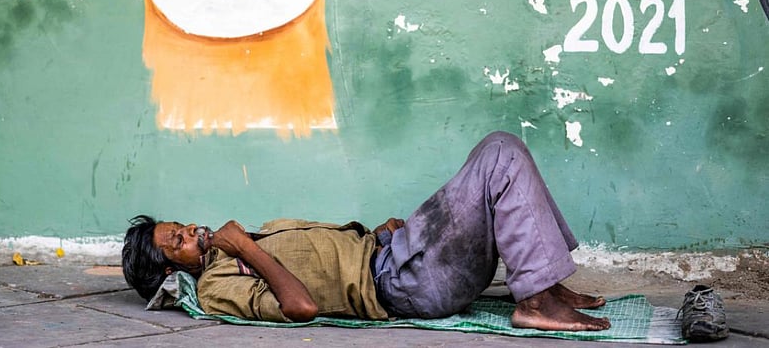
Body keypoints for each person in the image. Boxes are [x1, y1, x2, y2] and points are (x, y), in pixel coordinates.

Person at [122, 131, 611, 331]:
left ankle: (544, 282)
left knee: (500, 149)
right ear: (171, 269)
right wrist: (244, 244)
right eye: (177, 241)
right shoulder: (214, 287)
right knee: (500, 155)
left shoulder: (237, 247)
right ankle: (533, 302)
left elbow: (325, 257)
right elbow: (300, 307)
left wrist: (375, 237)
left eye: (180, 226)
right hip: (404, 285)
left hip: (393, 255)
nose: (189, 231)